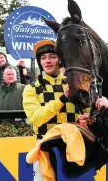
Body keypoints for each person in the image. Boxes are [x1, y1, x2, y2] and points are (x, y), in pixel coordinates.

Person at [22, 39, 82, 181]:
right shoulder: (31, 89)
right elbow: (36, 118)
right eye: (43, 58)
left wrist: (87, 116)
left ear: (60, 59)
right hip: (45, 148)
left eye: (52, 56)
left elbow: (86, 110)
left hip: (72, 146)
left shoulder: (75, 84)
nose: (47, 61)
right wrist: (63, 99)